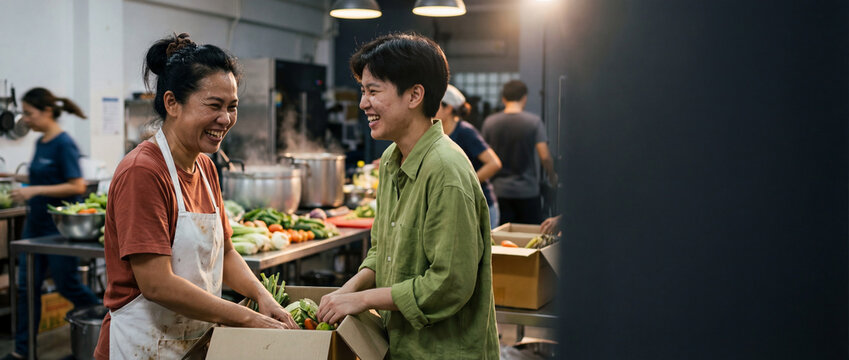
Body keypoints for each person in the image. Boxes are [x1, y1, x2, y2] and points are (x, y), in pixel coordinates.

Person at [94, 33, 297, 360]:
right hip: (141, 346)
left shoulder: (205, 166)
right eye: (214, 105)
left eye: (232, 107)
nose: (225, 119)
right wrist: (246, 317)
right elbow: (156, 284)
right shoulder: (143, 171)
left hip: (193, 343)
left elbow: (226, 254)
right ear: (172, 103)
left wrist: (263, 297)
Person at [316, 33, 499, 359]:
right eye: (363, 91)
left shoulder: (445, 171)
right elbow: (382, 252)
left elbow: (448, 284)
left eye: (373, 91)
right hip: (400, 346)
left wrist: (363, 300)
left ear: (414, 95)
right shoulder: (391, 159)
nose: (363, 103)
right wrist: (347, 291)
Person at [1, 88, 101, 360]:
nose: (25, 119)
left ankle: (106, 326)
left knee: (67, 285)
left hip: (58, 230)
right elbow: (42, 177)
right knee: (26, 289)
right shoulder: (41, 142)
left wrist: (34, 190)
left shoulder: (64, 143)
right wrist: (13, 177)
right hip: (34, 227)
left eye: (29, 113)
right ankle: (23, 351)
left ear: (46, 111)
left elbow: (76, 185)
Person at [482, 79, 556, 224]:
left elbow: (483, 155)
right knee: (529, 235)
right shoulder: (534, 122)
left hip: (499, 191)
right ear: (524, 98)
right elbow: (545, 156)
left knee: (501, 235)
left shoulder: (490, 122)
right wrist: (552, 176)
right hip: (528, 191)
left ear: (503, 98)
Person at [435, 84, 503, 228]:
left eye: (436, 104)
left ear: (448, 108)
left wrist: (465, 184)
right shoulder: (437, 134)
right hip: (458, 206)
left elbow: (494, 163)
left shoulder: (465, 132)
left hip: (479, 207)